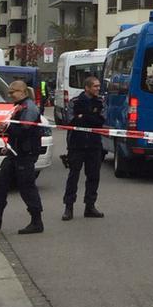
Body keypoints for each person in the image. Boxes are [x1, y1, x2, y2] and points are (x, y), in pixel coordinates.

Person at [0, 80, 46, 234]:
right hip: (15, 153)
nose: (10, 95)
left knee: (27, 188)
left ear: (23, 92)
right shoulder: (18, 107)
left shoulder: (29, 108)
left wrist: (7, 128)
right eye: (9, 92)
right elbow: (16, 131)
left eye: (13, 91)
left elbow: (24, 129)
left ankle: (37, 222)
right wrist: (7, 142)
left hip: (25, 155)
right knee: (0, 185)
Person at [62, 76, 106, 221]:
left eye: (99, 86)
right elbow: (70, 120)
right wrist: (89, 117)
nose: (98, 89)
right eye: (95, 86)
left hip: (94, 145)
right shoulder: (75, 102)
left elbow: (101, 121)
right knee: (73, 176)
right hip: (77, 144)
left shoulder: (100, 102)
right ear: (87, 87)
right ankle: (69, 207)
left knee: (93, 176)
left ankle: (90, 206)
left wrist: (84, 117)